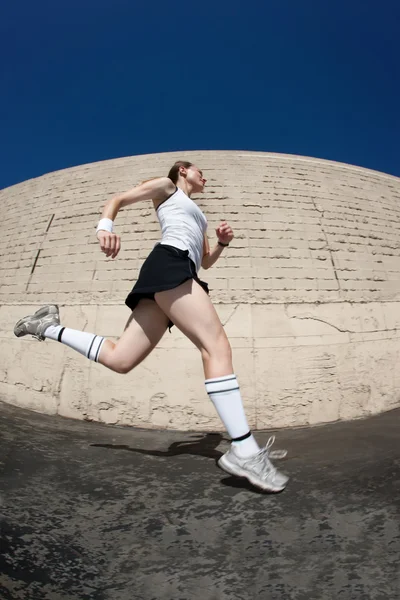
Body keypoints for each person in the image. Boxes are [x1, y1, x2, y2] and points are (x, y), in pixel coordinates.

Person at [14, 160, 289, 493]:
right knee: (216, 347)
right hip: (169, 264)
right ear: (183, 171)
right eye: (199, 170)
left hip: (180, 270)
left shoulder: (198, 216)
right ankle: (245, 449)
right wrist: (105, 227)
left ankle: (47, 326)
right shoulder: (167, 188)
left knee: (121, 360)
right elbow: (118, 199)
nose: (205, 175)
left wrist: (221, 243)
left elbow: (205, 261)